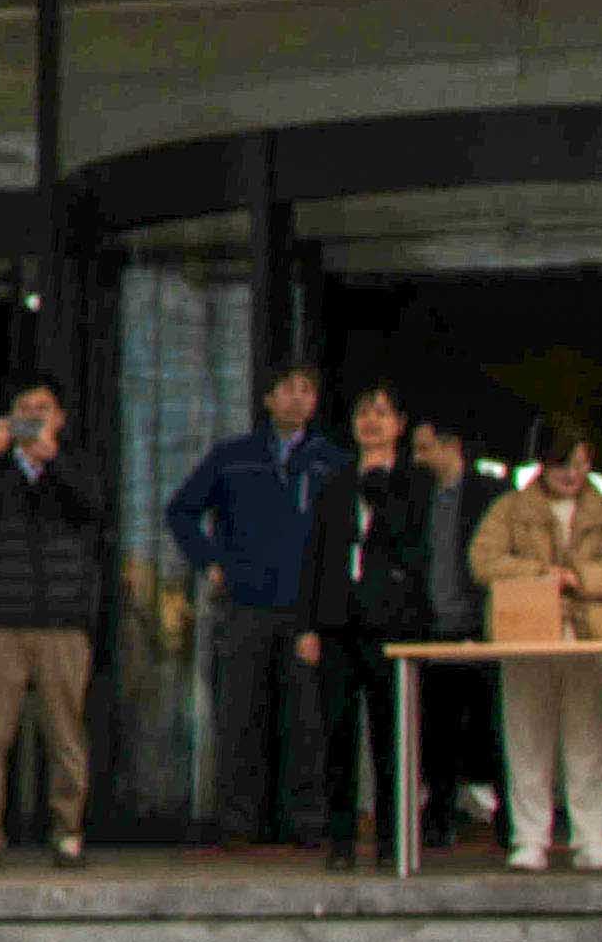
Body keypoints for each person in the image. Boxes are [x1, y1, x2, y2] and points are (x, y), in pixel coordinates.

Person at [164, 361, 331, 850]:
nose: (297, 399)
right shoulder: (234, 456)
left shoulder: (327, 461)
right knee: (240, 716)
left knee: (304, 720)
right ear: (268, 399)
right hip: (244, 605)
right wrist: (211, 562)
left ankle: (305, 821)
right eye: (287, 389)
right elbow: (181, 511)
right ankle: (240, 821)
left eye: (306, 390)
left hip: (303, 608)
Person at [473, 417, 602, 876]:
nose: (571, 473)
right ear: (543, 463)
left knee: (590, 740)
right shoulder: (511, 508)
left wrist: (580, 579)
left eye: (580, 462)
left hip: (590, 636)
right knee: (527, 737)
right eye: (562, 462)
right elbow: (483, 560)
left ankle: (592, 838)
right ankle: (529, 839)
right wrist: (539, 575)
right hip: (528, 634)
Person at [0, 385, 108, 865]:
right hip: (0, 619)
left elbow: (94, 509)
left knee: (64, 731)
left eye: (42, 412)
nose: (32, 420)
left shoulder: (77, 465)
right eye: (23, 412)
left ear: (60, 418)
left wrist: (53, 462)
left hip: (62, 620)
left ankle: (68, 828)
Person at [301, 383, 438, 871]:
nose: (372, 422)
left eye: (382, 413)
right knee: (337, 734)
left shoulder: (417, 481)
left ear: (400, 424)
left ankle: (390, 839)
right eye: (363, 412)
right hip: (338, 620)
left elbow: (415, 545)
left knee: (390, 736)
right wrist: (309, 625)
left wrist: (380, 488)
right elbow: (316, 555)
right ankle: (339, 841)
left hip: (390, 623)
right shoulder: (334, 483)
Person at [408, 415, 501, 844]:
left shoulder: (488, 493)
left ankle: (506, 818)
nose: (419, 459)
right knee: (437, 730)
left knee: (493, 725)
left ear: (451, 446)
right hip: (435, 628)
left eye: (426, 448)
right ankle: (439, 816)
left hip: (481, 629)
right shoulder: (417, 498)